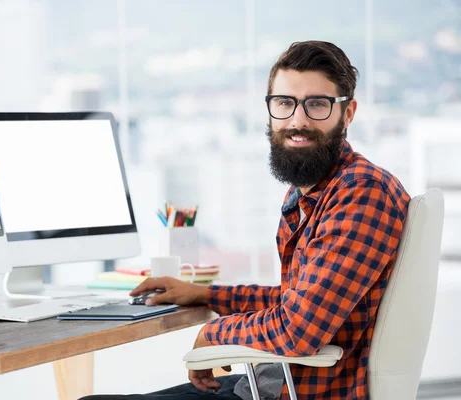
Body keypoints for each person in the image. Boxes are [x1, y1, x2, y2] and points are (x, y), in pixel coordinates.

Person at [81, 40, 411, 400]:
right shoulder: (310, 194)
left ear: (347, 114)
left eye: (317, 104)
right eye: (285, 103)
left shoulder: (361, 193)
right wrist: (206, 294)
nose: (297, 120)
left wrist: (215, 333)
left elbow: (297, 330)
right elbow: (297, 302)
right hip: (269, 385)